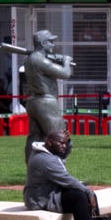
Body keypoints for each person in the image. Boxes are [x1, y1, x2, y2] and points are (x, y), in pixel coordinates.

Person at [24, 131, 106, 220]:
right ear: (50, 142)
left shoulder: (48, 150)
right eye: (61, 143)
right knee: (80, 196)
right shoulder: (45, 160)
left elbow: (64, 153)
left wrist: (69, 141)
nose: (64, 146)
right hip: (41, 199)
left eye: (65, 143)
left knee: (85, 193)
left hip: (52, 192)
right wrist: (88, 191)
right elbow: (66, 179)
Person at [22, 30, 75, 160]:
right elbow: (65, 74)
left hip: (33, 101)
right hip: (46, 102)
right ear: (43, 43)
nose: (53, 45)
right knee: (59, 136)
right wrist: (66, 61)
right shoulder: (40, 60)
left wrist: (57, 59)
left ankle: (32, 168)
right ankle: (59, 169)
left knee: (34, 137)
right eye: (50, 42)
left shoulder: (30, 59)